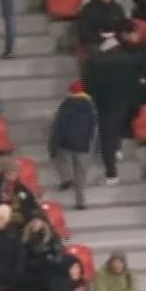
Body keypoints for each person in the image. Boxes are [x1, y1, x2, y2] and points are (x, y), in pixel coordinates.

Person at [48, 80, 99, 211]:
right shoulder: (90, 105)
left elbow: (59, 126)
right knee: (81, 174)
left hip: (66, 142)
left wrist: (52, 146)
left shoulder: (66, 104)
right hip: (83, 144)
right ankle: (80, 201)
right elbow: (93, 127)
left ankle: (66, 178)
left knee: (62, 160)